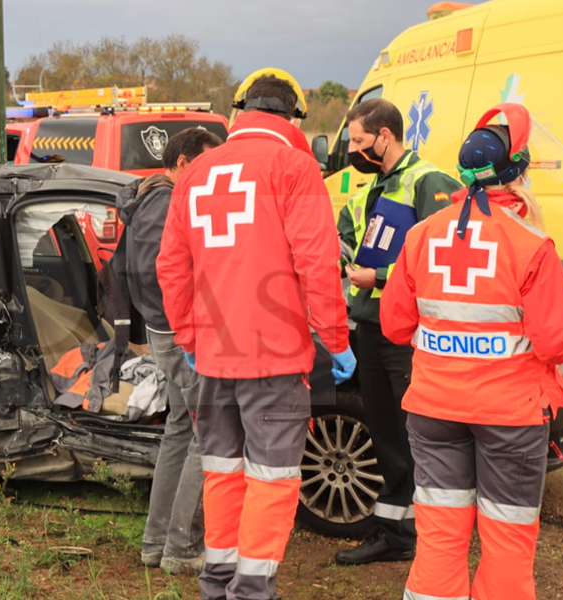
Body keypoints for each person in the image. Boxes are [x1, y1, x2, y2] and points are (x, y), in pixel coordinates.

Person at [380, 103, 563, 600]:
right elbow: (554, 341)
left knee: (439, 537)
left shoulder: (419, 236)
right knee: (506, 544)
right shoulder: (531, 245)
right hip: (510, 417)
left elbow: (394, 325)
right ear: (518, 171)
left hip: (433, 410)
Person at [157, 69, 355, 600]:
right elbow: (317, 263)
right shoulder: (295, 167)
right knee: (272, 479)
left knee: (222, 473)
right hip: (274, 359)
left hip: (214, 358)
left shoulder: (197, 173)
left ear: (238, 110)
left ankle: (217, 583)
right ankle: (251, 591)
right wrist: (335, 340)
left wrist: (189, 340)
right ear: (293, 118)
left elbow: (171, 268)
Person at [335, 99, 462, 565]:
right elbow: (348, 233)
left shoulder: (427, 181)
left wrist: (380, 278)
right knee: (386, 432)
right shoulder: (372, 187)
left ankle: (429, 536)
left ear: (385, 136)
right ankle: (393, 530)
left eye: (359, 141)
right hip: (369, 327)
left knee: (417, 435)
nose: (353, 149)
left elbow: (442, 257)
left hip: (405, 334)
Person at [118, 127, 224, 575]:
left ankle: (155, 542)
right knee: (208, 434)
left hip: (165, 331)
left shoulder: (146, 197)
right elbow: (165, 270)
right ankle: (182, 548)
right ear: (183, 164)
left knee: (181, 430)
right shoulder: (168, 202)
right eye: (205, 163)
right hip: (182, 334)